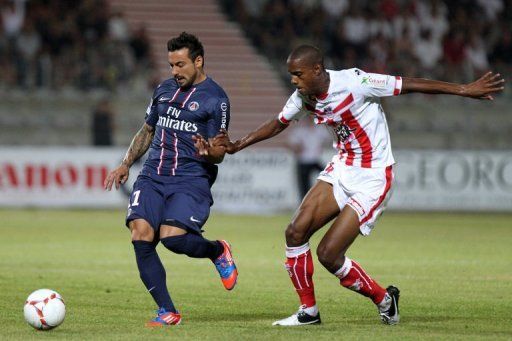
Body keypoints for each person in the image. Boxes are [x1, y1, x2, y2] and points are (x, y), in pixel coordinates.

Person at [195, 45, 505, 326]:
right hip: (342, 169)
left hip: (373, 177)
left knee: (329, 254)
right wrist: (237, 144)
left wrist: (464, 89)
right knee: (294, 232)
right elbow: (279, 123)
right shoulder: (305, 97)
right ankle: (308, 313)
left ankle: (384, 299)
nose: (294, 81)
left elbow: (406, 84)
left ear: (317, 70)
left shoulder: (356, 82)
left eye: (298, 74)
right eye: (291, 75)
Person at [104, 32, 237, 327]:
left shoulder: (216, 99)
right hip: (152, 175)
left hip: (190, 178)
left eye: (180, 65)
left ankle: (217, 250)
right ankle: (167, 310)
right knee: (140, 233)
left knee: (172, 240)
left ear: (198, 61)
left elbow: (220, 151)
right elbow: (148, 130)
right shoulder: (163, 90)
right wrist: (126, 162)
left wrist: (208, 152)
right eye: (171, 65)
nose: (174, 72)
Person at [287, 118, 330, 199]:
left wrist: (322, 146)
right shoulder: (299, 131)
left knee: (328, 179)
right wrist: (297, 148)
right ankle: (305, 204)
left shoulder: (320, 129)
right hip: (303, 160)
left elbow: (328, 140)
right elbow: (292, 145)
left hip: (316, 159)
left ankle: (326, 198)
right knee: (304, 186)